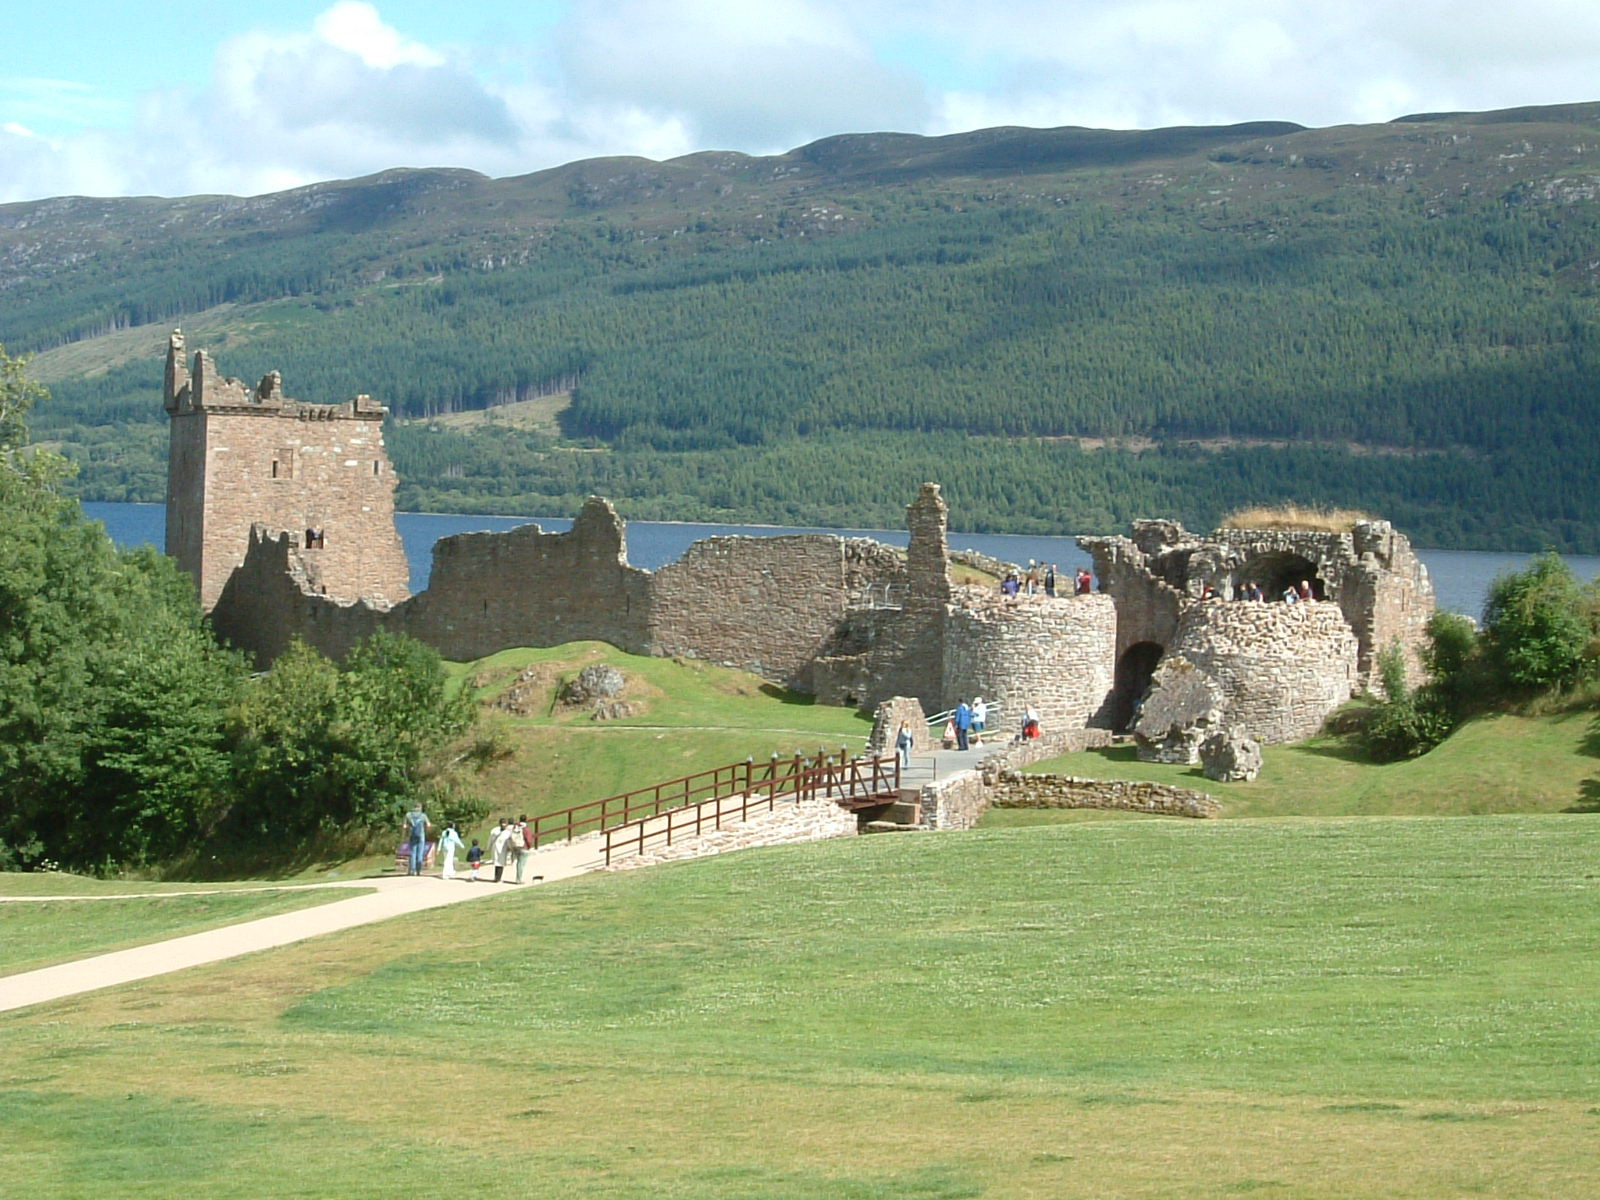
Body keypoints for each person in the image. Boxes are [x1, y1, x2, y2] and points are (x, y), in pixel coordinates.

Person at [402, 803, 431, 876]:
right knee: (420, 853)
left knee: (413, 853)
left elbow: (404, 826)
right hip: (421, 835)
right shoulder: (423, 815)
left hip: (412, 835)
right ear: (420, 807)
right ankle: (419, 870)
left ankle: (412, 870)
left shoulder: (408, 815)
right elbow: (428, 825)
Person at [489, 818, 513, 883]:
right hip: (502, 849)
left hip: (495, 848)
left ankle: (496, 877)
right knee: (500, 864)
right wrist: (511, 848)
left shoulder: (494, 830)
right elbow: (508, 842)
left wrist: (488, 847)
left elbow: (490, 840)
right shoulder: (507, 833)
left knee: (497, 863)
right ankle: (498, 878)